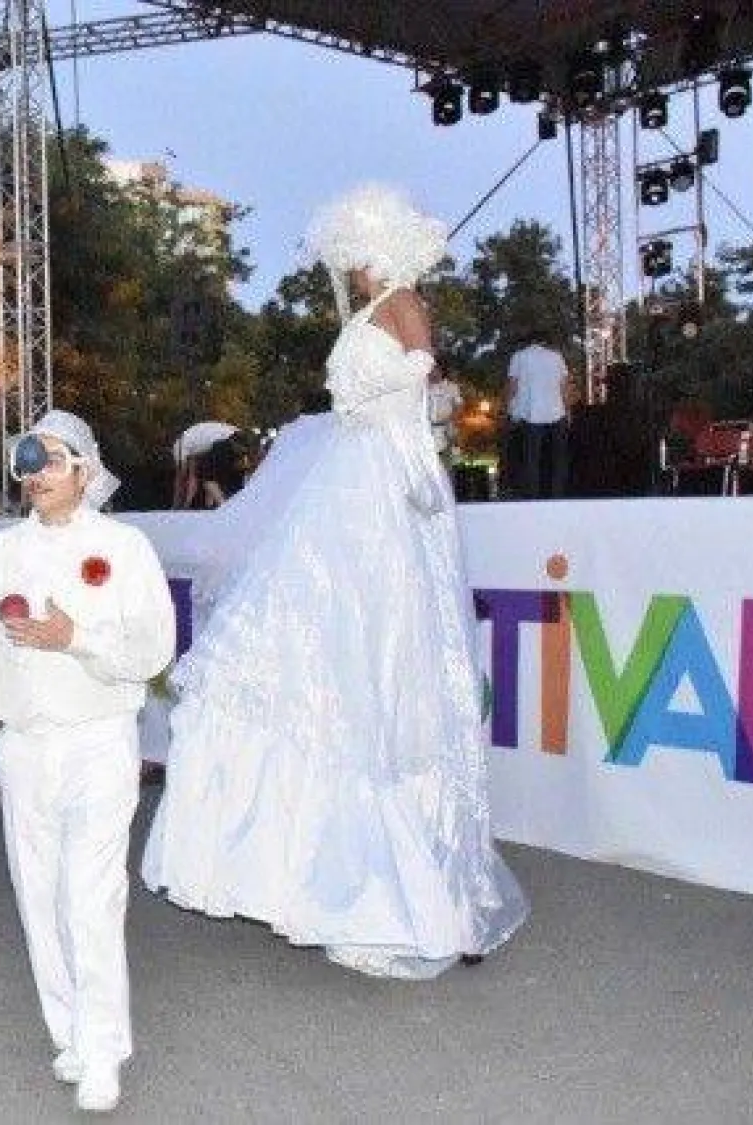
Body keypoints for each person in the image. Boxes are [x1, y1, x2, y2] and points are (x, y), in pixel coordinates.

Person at [142, 184, 527, 981]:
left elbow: (422, 371)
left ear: (379, 248)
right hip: (349, 475)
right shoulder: (367, 310)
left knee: (374, 632)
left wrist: (374, 404)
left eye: (354, 251)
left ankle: (405, 883)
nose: (347, 268)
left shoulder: (401, 301)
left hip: (382, 476)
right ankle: (313, 870)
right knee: (303, 626)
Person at [0, 411, 176, 1115]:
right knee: (39, 897)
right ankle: (68, 1031)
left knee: (91, 900)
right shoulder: (1, 551)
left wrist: (77, 636)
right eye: (27, 463)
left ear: (84, 470)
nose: (35, 474)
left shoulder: (125, 546)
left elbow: (154, 649)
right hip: (26, 749)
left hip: (99, 741)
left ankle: (102, 1049)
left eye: (52, 461)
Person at [504, 327, 573, 499]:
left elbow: (513, 386)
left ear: (529, 341)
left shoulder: (519, 356)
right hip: (557, 412)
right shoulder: (556, 357)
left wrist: (507, 409)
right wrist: (568, 410)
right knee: (558, 460)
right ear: (545, 341)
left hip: (530, 414)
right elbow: (564, 387)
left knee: (531, 460)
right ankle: (557, 495)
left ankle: (532, 497)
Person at [427, 366, 464, 465]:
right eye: (430, 370)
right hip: (426, 431)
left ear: (441, 370)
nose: (432, 372)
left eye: (435, 369)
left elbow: (459, 406)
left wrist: (451, 422)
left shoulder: (451, 387)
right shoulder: (423, 387)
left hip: (446, 431)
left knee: (446, 465)